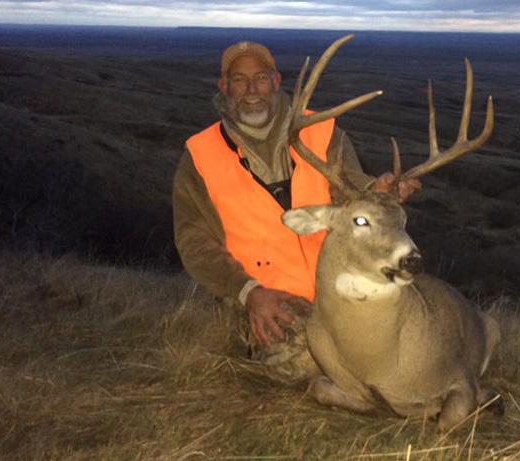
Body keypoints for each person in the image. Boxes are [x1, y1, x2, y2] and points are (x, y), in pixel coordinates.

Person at [172, 41, 420, 354]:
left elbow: (351, 191)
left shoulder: (322, 132)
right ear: (224, 87)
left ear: (275, 82)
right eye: (239, 80)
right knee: (307, 358)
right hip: (267, 301)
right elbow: (195, 242)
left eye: (261, 78)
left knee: (407, 339)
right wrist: (248, 292)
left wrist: (379, 193)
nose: (251, 90)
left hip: (337, 288)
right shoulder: (200, 156)